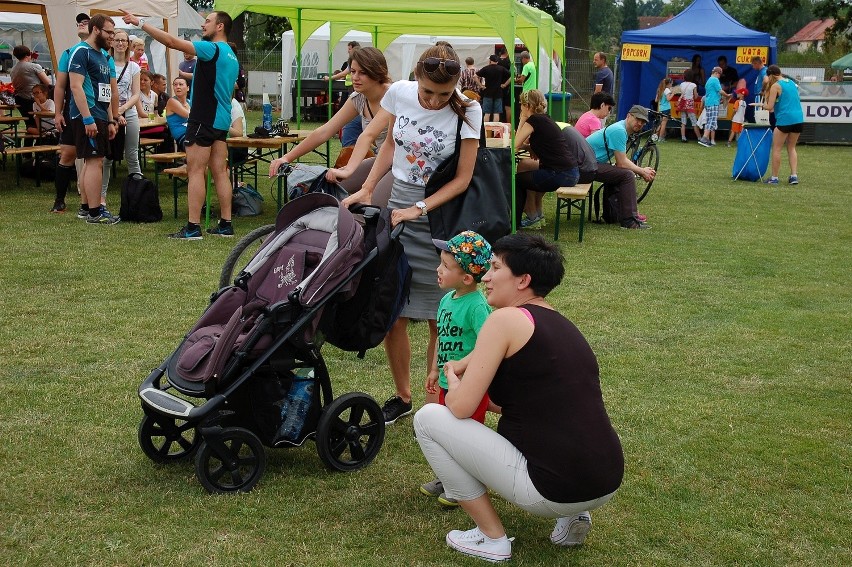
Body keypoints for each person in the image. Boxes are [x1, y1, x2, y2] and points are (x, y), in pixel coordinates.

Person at [414, 232, 624, 563]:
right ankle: (574, 516)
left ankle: (491, 537)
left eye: (496, 267)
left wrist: (453, 381)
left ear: (523, 280)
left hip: (550, 489)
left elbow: (460, 406)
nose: (486, 276)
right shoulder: (560, 323)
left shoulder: (505, 319)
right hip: (607, 478)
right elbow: (528, 400)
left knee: (428, 418)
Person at [341, 44, 483, 424]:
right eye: (428, 92)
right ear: (416, 77)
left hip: (441, 215)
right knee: (394, 310)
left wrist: (419, 209)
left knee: (443, 315)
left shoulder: (468, 109)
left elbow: (464, 178)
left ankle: (438, 394)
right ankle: (404, 396)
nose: (435, 101)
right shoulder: (401, 92)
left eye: (444, 93)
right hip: (399, 209)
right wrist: (370, 186)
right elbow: (389, 143)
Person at [123, 10, 239, 240]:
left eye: (207, 21)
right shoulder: (232, 56)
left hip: (203, 118)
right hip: (221, 119)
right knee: (220, 172)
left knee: (195, 170)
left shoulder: (212, 49)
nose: (203, 25)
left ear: (220, 27)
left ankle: (193, 227)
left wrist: (141, 23)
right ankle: (226, 224)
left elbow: (171, 42)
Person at [419, 231, 493, 509]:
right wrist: (436, 370)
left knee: (464, 437)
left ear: (466, 278)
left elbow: (489, 345)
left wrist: (463, 368)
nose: (438, 270)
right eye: (440, 263)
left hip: (470, 386)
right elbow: (440, 336)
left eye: (446, 267)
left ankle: (464, 484)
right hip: (448, 384)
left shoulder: (477, 306)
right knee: (445, 431)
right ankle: (448, 477)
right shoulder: (447, 299)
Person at [269, 47, 392, 180]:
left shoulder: (393, 95)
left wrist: (349, 170)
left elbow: (367, 136)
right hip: (381, 160)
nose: (355, 77)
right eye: (353, 71)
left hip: (404, 166)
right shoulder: (358, 98)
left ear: (377, 72)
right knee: (332, 187)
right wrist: (286, 157)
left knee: (368, 197)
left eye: (362, 72)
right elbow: (325, 131)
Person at [68, 14, 120, 225]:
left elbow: (105, 91)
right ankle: (95, 212)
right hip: (86, 114)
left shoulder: (102, 56)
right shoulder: (81, 52)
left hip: (99, 114)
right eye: (109, 32)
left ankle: (85, 208)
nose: (112, 37)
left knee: (92, 161)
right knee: (94, 161)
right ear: (96, 29)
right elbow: (75, 86)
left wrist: (110, 120)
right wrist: (88, 119)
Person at [514, 89, 578, 229]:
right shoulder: (545, 118)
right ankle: (537, 215)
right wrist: (529, 148)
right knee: (526, 166)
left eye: (521, 104)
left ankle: (525, 218)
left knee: (518, 180)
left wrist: (522, 119)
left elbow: (514, 145)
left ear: (527, 106)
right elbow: (541, 145)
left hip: (561, 174)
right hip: (570, 172)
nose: (520, 107)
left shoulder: (533, 120)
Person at [50, 12, 93, 214]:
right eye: (79, 23)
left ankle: (91, 202)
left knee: (93, 157)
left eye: (86, 22)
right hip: (72, 112)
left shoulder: (102, 53)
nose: (82, 24)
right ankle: (60, 200)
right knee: (68, 153)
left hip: (96, 112)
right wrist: (58, 112)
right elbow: (59, 86)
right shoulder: (68, 53)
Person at [585, 105, 654, 229]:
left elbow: (620, 162)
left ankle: (612, 215)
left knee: (621, 172)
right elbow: (622, 162)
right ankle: (629, 221)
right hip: (584, 167)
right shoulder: (619, 130)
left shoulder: (621, 129)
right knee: (627, 175)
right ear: (628, 116)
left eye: (643, 122)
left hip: (587, 164)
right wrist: (642, 171)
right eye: (638, 119)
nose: (640, 123)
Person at [100, 28, 142, 208]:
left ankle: (139, 194)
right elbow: (104, 91)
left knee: (132, 154)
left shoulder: (134, 67)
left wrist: (123, 109)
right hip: (108, 113)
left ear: (128, 44)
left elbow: (136, 93)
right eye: (117, 40)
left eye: (124, 40)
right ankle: (101, 196)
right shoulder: (104, 63)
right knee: (107, 157)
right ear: (112, 42)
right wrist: (115, 114)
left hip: (129, 112)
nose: (120, 43)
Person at [761, 65, 803, 185]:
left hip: (785, 119)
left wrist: (759, 105)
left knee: (777, 148)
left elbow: (769, 107)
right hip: (798, 118)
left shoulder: (775, 86)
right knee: (792, 148)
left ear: (770, 75)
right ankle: (794, 176)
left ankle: (774, 178)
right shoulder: (791, 82)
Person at [10, 45, 51, 129]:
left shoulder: (13, 69)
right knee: (41, 125)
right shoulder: (33, 66)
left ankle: (29, 141)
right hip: (34, 99)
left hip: (20, 99)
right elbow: (48, 82)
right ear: (27, 55)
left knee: (30, 124)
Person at [698, 66, 728, 147]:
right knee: (712, 121)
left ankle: (706, 139)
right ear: (716, 73)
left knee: (708, 121)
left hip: (708, 102)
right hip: (713, 103)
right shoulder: (715, 80)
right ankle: (704, 138)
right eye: (719, 74)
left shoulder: (708, 80)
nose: (719, 76)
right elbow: (720, 91)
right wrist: (727, 95)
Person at [476, 54, 510, 122]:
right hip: (498, 93)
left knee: (487, 113)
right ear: (497, 61)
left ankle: (486, 131)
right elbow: (511, 76)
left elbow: (475, 76)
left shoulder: (486, 68)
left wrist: (480, 85)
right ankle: (495, 131)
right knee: (496, 113)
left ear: (490, 61)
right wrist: (505, 84)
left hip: (487, 93)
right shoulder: (501, 68)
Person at [164, 77, 190, 149]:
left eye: (181, 84)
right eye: (175, 85)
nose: (178, 87)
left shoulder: (190, 102)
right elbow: (190, 116)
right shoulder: (172, 101)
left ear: (188, 88)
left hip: (193, 134)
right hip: (183, 137)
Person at [678, 69, 701, 143]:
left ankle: (683, 137)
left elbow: (681, 93)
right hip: (689, 104)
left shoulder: (681, 84)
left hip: (682, 104)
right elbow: (696, 96)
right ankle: (699, 138)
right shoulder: (693, 85)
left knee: (683, 122)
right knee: (694, 122)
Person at [655, 77, 673, 141]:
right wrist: (673, 94)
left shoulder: (660, 89)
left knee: (660, 123)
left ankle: (655, 136)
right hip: (666, 108)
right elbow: (668, 99)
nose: (672, 85)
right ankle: (660, 138)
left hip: (660, 108)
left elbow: (656, 100)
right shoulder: (667, 90)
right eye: (671, 84)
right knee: (663, 124)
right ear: (668, 84)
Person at [497, 48, 512, 124]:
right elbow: (512, 76)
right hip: (507, 88)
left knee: (498, 108)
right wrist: (506, 84)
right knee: (508, 107)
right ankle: (508, 124)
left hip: (497, 87)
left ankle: (498, 124)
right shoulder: (509, 62)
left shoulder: (496, 61)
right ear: (507, 53)